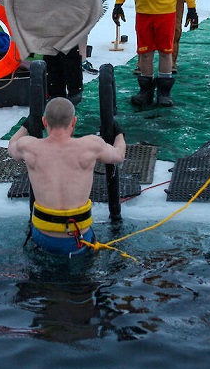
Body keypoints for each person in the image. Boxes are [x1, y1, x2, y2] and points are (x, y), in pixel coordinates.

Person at [7, 97, 125, 257]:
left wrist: (25, 126)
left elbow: (11, 147)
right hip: (78, 239)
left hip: (42, 237)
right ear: (73, 122)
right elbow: (118, 156)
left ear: (44, 121)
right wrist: (119, 133)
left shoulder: (28, 146)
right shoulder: (91, 145)